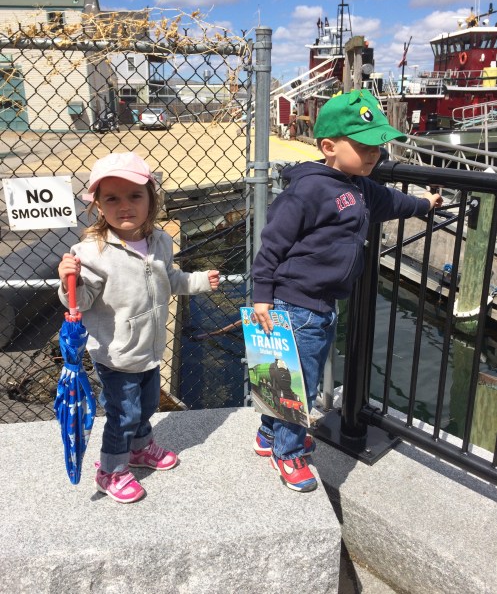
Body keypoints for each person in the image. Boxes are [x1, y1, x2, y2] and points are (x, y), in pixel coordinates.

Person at [251, 89, 443, 492]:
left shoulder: (362, 186)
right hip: (295, 303)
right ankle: (288, 454)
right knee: (297, 383)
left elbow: (394, 202)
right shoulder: (308, 190)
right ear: (329, 147)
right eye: (364, 145)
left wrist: (425, 204)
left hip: (321, 304)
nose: (375, 154)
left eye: (378, 145)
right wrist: (262, 294)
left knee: (288, 375)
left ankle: (269, 434)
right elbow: (272, 244)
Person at [58, 152, 220, 503]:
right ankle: (111, 470)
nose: (125, 206)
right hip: (115, 353)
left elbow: (169, 279)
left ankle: (140, 447)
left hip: (149, 346)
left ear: (151, 198)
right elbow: (79, 302)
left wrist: (198, 281)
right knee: (123, 413)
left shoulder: (160, 241)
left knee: (146, 405)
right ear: (98, 206)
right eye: (112, 199)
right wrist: (70, 280)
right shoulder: (91, 252)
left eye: (134, 195)